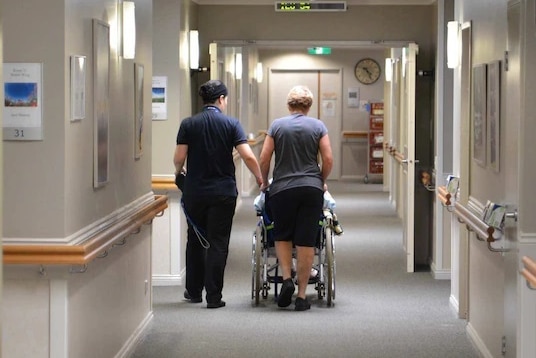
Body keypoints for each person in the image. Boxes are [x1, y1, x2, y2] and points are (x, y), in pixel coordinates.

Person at [173, 79, 263, 309]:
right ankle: (213, 296)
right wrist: (259, 177)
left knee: (194, 240)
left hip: (195, 192)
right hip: (223, 193)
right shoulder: (231, 124)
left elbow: (179, 158)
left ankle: (193, 291)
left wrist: (179, 172)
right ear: (221, 99)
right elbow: (248, 156)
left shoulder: (188, 124)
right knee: (218, 243)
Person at [259, 85, 333, 311]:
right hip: (311, 188)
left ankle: (286, 279)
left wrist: (264, 181)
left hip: (282, 189)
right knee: (306, 240)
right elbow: (328, 158)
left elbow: (264, 158)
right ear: (308, 106)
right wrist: (321, 179)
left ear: (289, 105)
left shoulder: (277, 125)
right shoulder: (318, 126)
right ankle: (301, 296)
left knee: (282, 235)